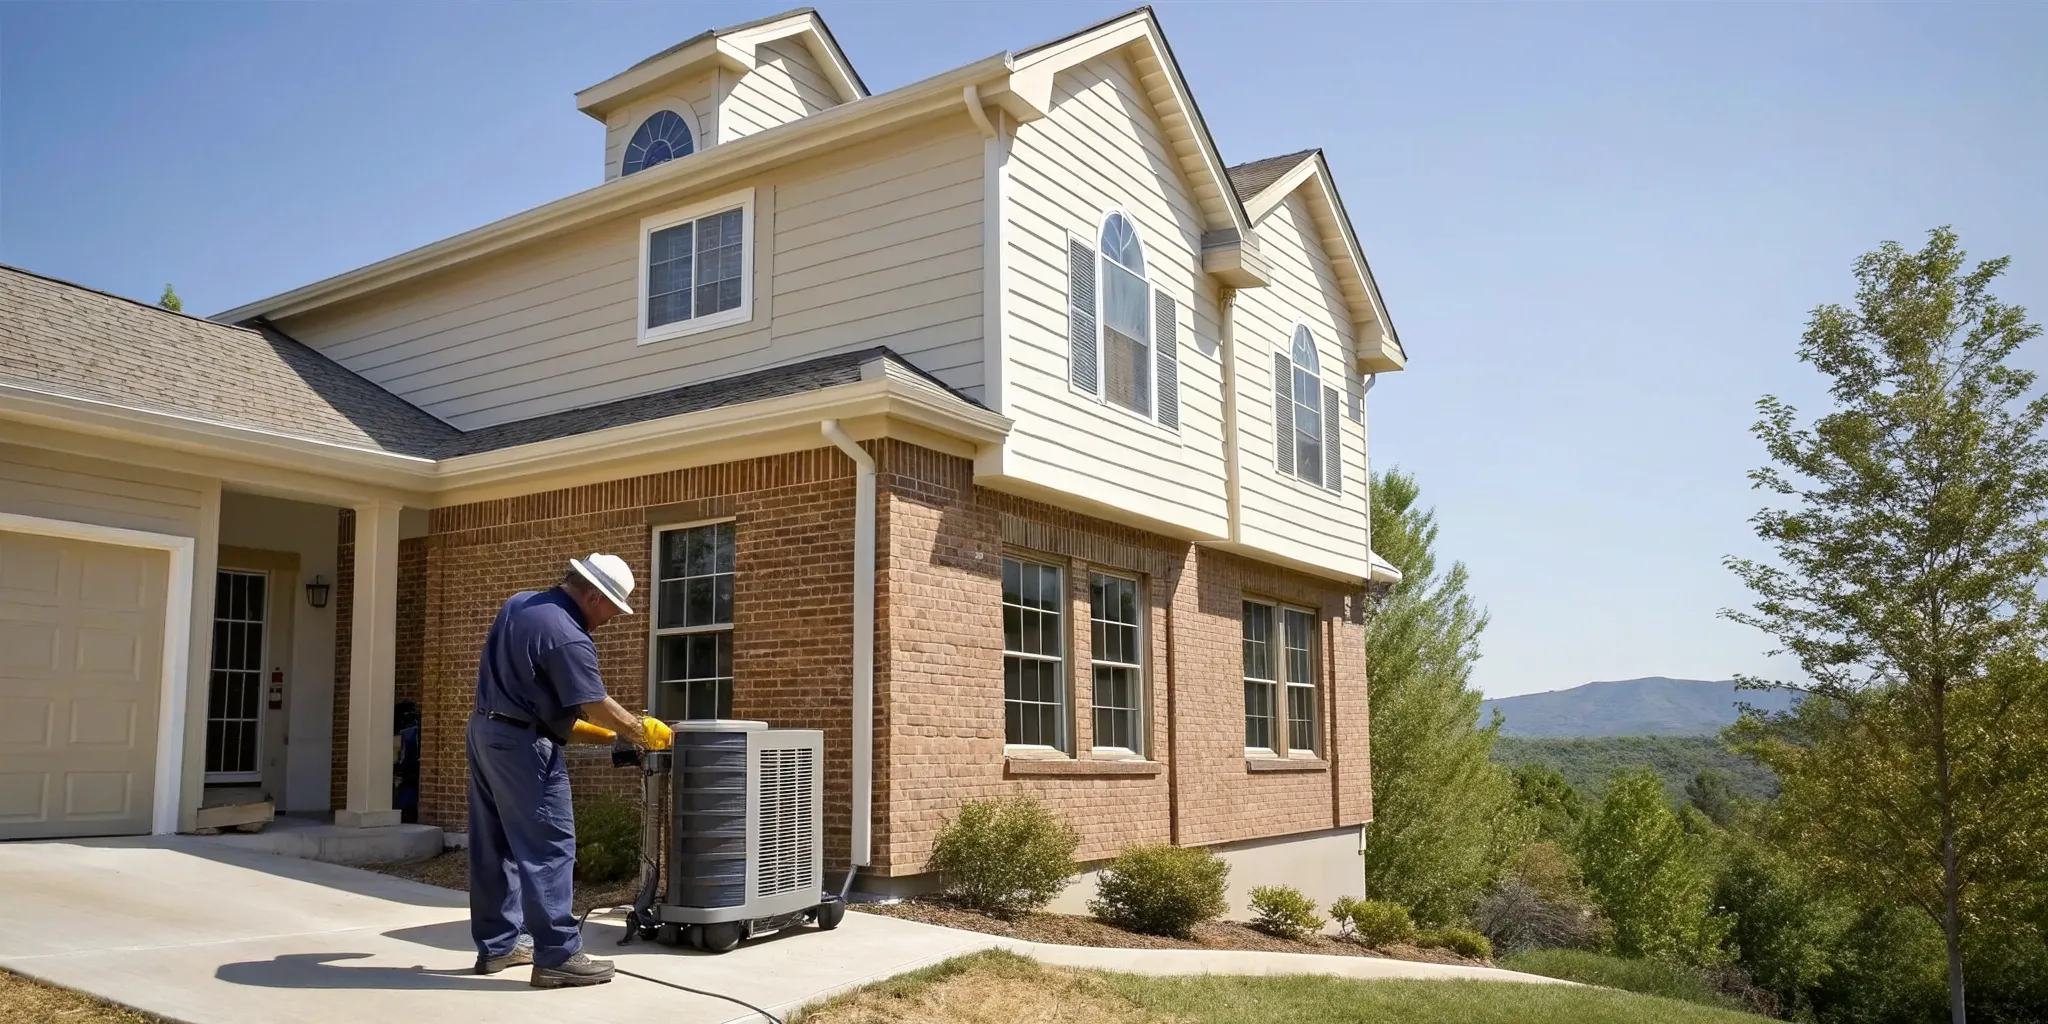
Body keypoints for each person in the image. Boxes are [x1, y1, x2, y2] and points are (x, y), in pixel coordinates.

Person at [467, 552, 661, 988]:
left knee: (494, 845)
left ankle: (498, 946)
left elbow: (533, 694)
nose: (612, 618)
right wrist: (638, 731)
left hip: (486, 731)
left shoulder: (521, 604)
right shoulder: (569, 636)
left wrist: (603, 736)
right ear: (593, 595)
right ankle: (558, 954)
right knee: (550, 847)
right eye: (613, 607)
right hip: (522, 747)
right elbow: (595, 702)